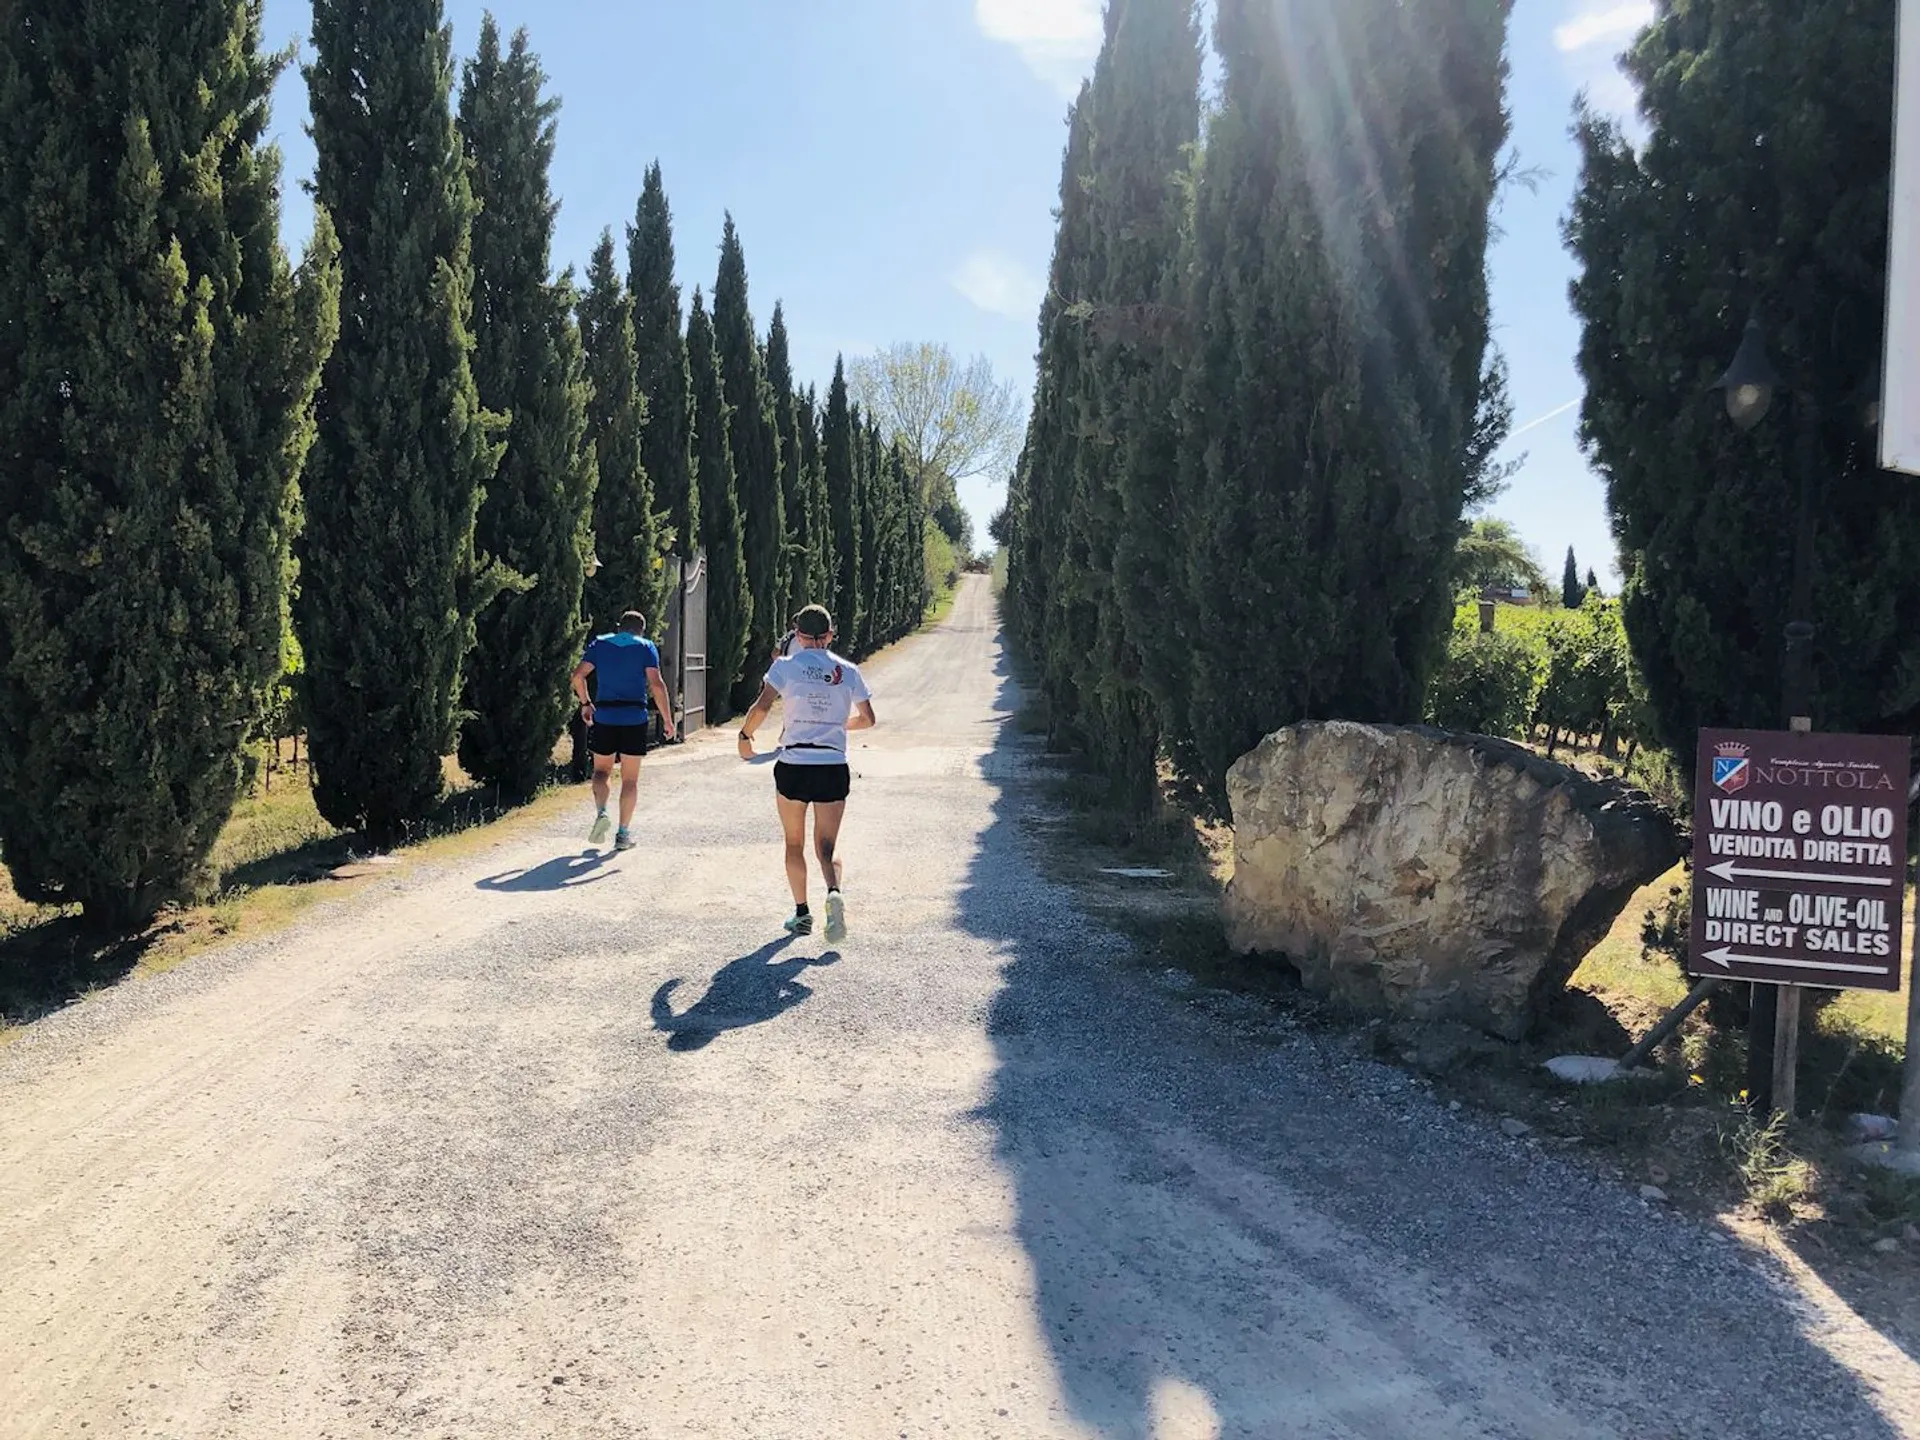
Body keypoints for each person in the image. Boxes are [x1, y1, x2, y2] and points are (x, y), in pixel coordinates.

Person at [737, 604, 875, 941]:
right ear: (830, 635)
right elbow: (869, 719)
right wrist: (840, 724)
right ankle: (833, 892)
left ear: (797, 635)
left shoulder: (785, 666)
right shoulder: (849, 671)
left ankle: (801, 914)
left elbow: (763, 705)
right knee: (827, 847)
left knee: (794, 843)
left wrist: (745, 736)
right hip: (832, 766)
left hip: (794, 765)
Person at [571, 611, 675, 851]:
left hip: (605, 716)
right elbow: (656, 685)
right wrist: (668, 720)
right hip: (634, 717)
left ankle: (602, 812)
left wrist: (586, 703)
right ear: (641, 629)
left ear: (620, 627)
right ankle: (623, 834)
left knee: (601, 771)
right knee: (630, 779)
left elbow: (578, 676)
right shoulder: (646, 647)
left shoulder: (600, 643)